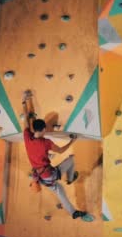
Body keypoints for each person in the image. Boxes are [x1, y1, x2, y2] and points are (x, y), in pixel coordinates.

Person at [22, 90, 88, 220]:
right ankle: (70, 178)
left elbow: (26, 119)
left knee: (60, 191)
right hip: (50, 173)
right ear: (42, 130)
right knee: (71, 159)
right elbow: (61, 150)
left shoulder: (27, 137)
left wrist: (25, 101)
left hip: (42, 177)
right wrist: (72, 140)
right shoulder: (45, 142)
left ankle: (73, 212)